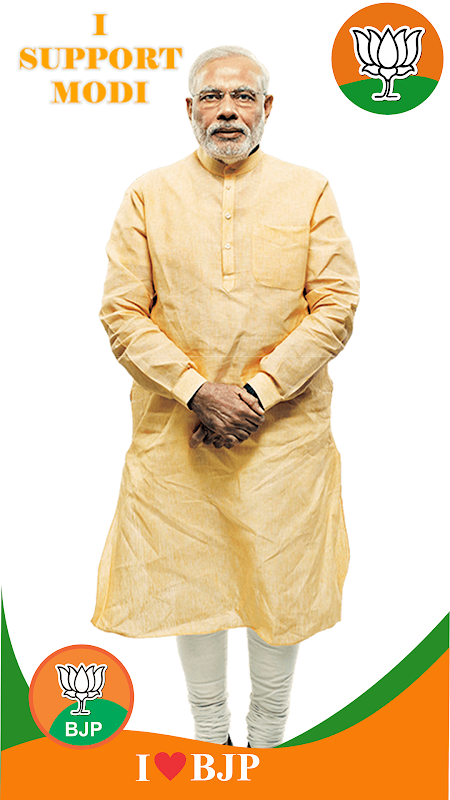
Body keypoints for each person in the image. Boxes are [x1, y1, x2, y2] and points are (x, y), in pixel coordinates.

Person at [92, 45, 359, 749]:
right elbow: (122, 311)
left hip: (285, 434)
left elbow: (335, 306)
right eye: (212, 97)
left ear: (267, 109)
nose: (228, 111)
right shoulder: (149, 194)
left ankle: (267, 742)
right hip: (178, 430)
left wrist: (255, 394)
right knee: (193, 580)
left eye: (243, 97)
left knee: (279, 581)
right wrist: (196, 391)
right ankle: (211, 738)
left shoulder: (309, 190)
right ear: (190, 110)